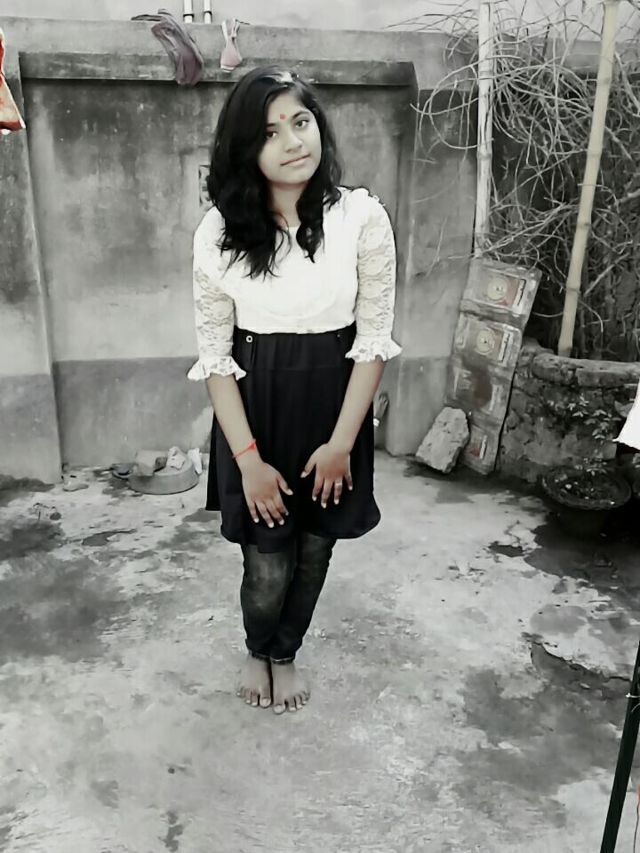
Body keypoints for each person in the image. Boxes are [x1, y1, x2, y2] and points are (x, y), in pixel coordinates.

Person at [187, 66, 402, 715]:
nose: (292, 141)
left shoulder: (362, 218)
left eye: (300, 122)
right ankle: (258, 646)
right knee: (267, 562)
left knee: (314, 551)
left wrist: (342, 444)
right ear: (245, 148)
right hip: (256, 411)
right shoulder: (219, 233)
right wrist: (248, 462)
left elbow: (374, 341)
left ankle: (285, 654)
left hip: (335, 411)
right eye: (270, 131)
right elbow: (216, 359)